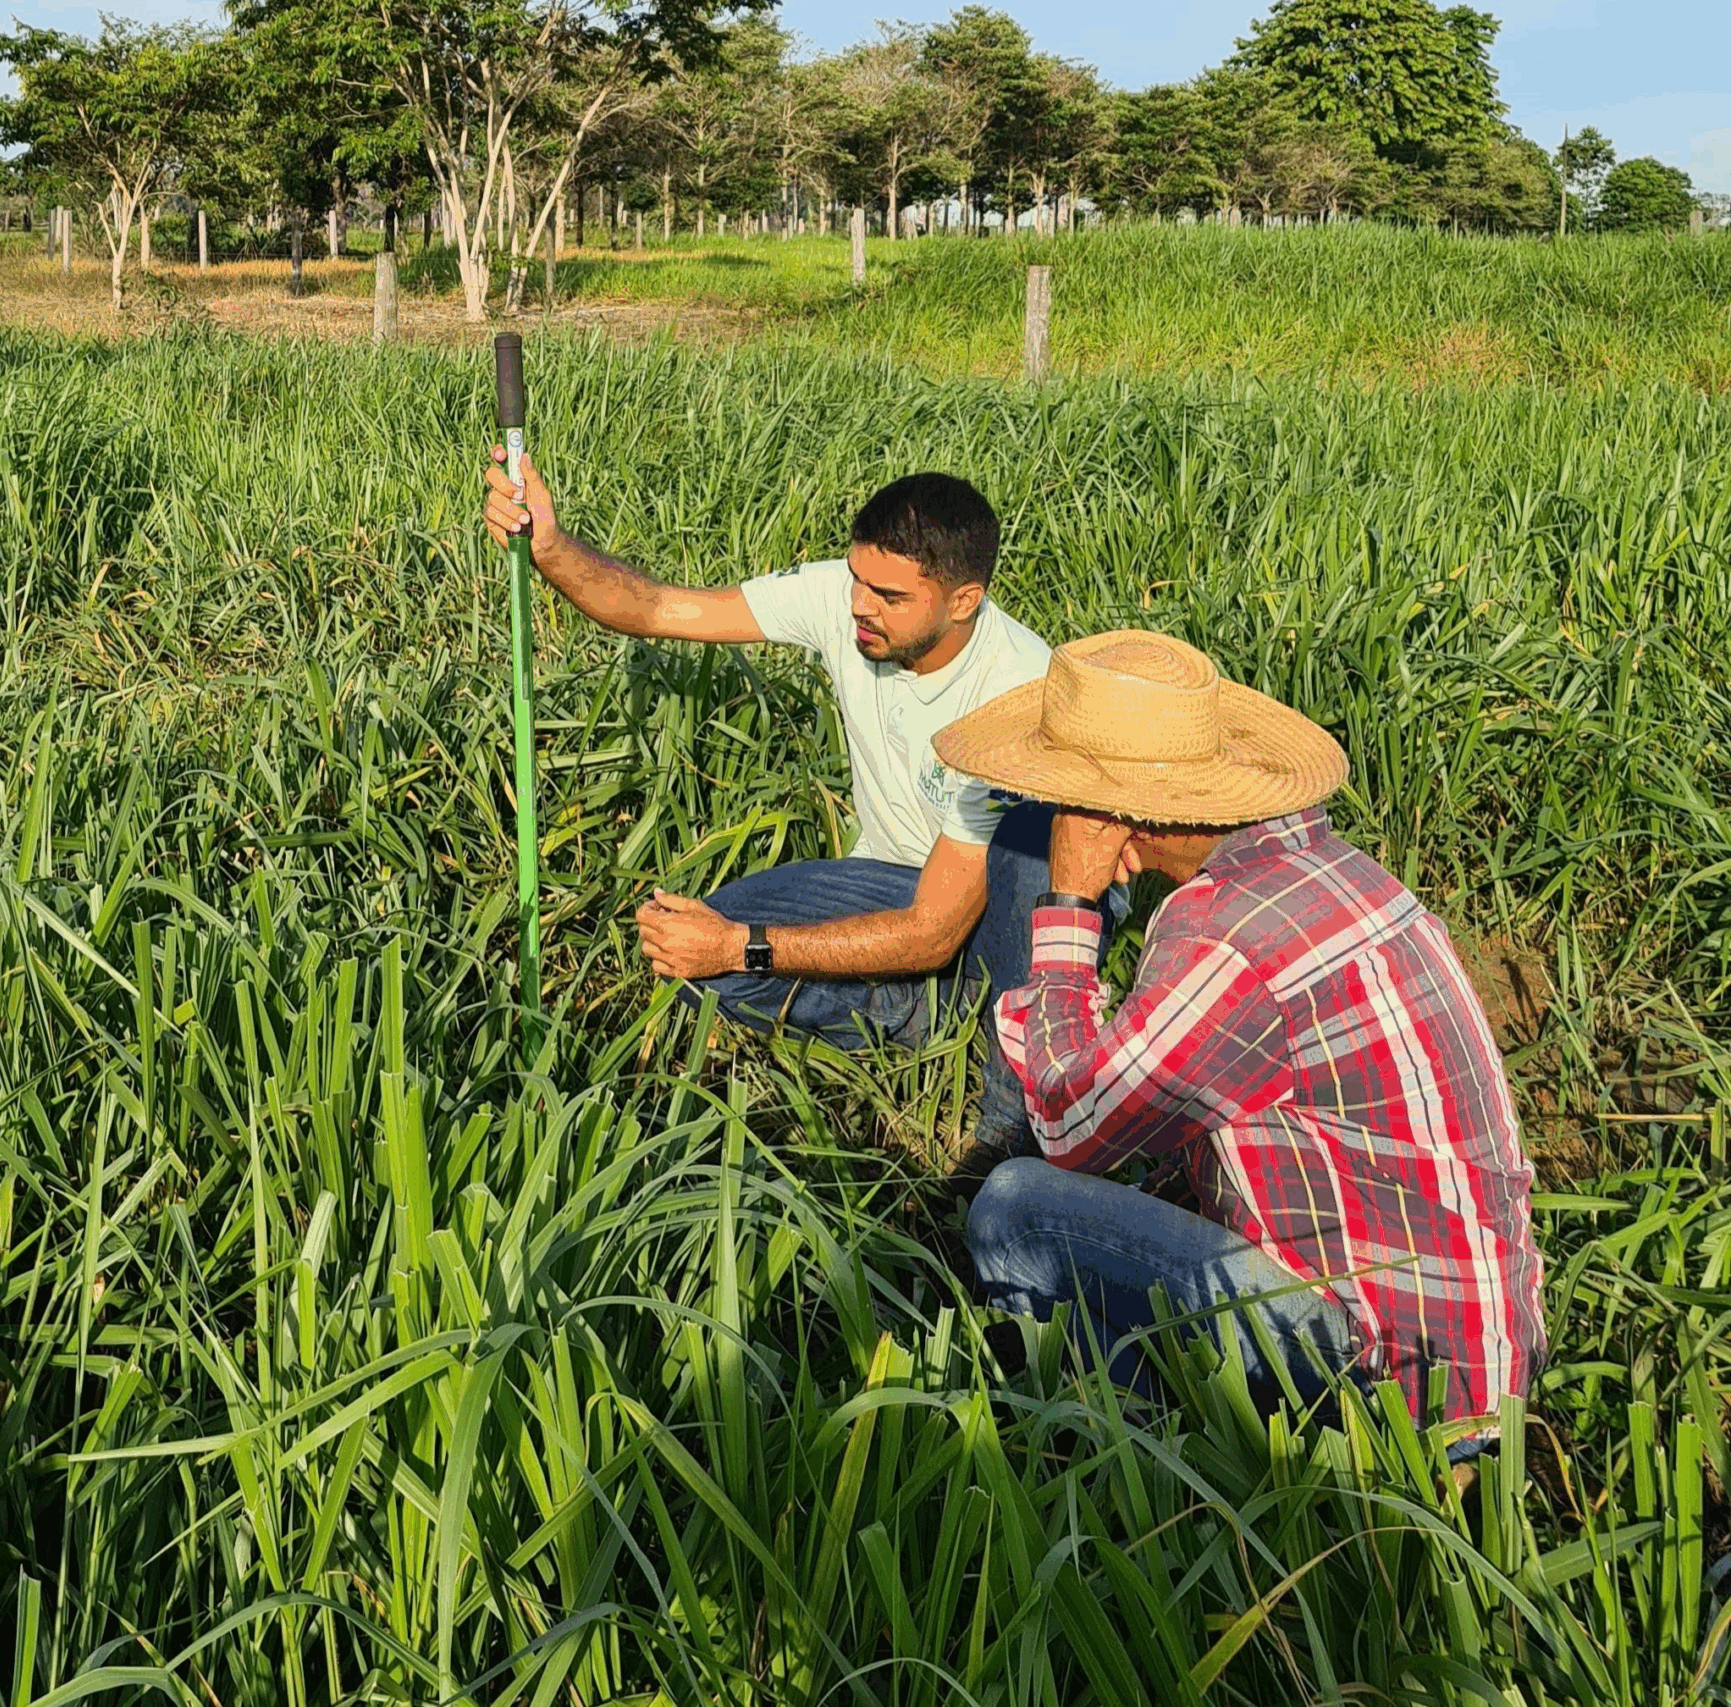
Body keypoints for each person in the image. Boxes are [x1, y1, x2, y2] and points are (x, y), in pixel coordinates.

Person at [934, 629, 1543, 1441]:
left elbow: (1070, 1128)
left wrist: (1073, 905)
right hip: (1469, 1350)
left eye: (1066, 799)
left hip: (1383, 1379)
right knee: (1129, 1201)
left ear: (1109, 813)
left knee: (1017, 1209)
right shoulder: (1339, 872)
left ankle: (1125, 1467)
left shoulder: (1223, 933)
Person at [481, 450, 1052, 1150]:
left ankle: (1010, 1120)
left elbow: (935, 927)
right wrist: (551, 546)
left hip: (1008, 911)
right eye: (857, 580)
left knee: (733, 948)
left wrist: (740, 948)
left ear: (964, 601)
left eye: (891, 597)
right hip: (896, 879)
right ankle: (927, 1019)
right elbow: (659, 608)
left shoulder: (1015, 693)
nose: (860, 608)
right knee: (692, 958)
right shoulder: (849, 603)